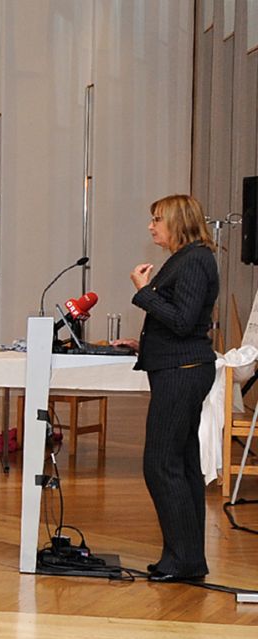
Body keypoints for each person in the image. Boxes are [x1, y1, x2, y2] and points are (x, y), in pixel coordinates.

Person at [112, 195, 220, 583]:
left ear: (178, 221)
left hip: (183, 371)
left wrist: (144, 291)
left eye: (157, 219)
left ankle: (184, 560)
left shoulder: (194, 259)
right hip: (178, 364)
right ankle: (187, 558)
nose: (150, 226)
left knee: (160, 464)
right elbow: (184, 323)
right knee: (183, 464)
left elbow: (182, 319)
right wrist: (146, 344)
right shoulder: (188, 258)